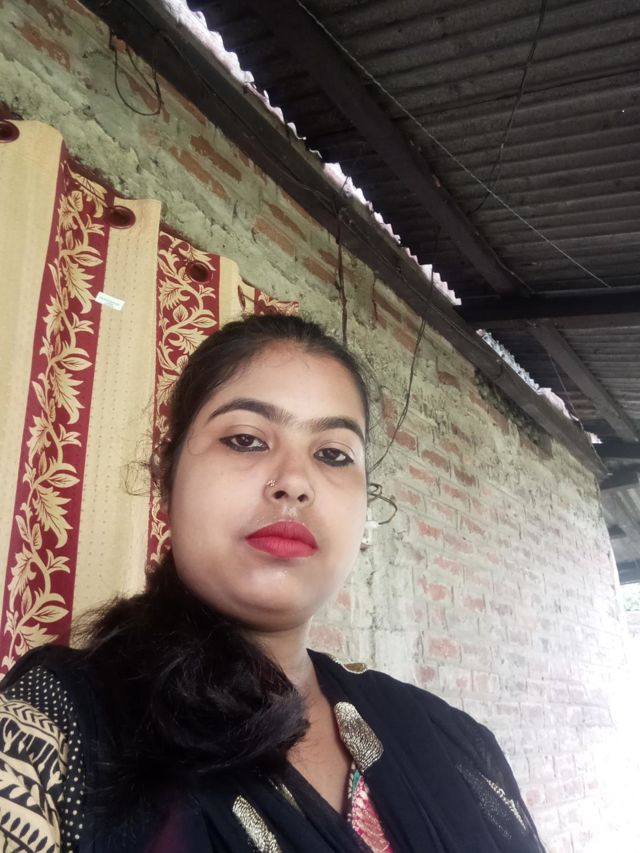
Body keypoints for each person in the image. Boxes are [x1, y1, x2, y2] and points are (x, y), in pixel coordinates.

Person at [0, 313, 545, 852]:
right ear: (166, 482)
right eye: (245, 440)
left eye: (333, 454)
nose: (294, 482)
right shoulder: (55, 731)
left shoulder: (452, 740)